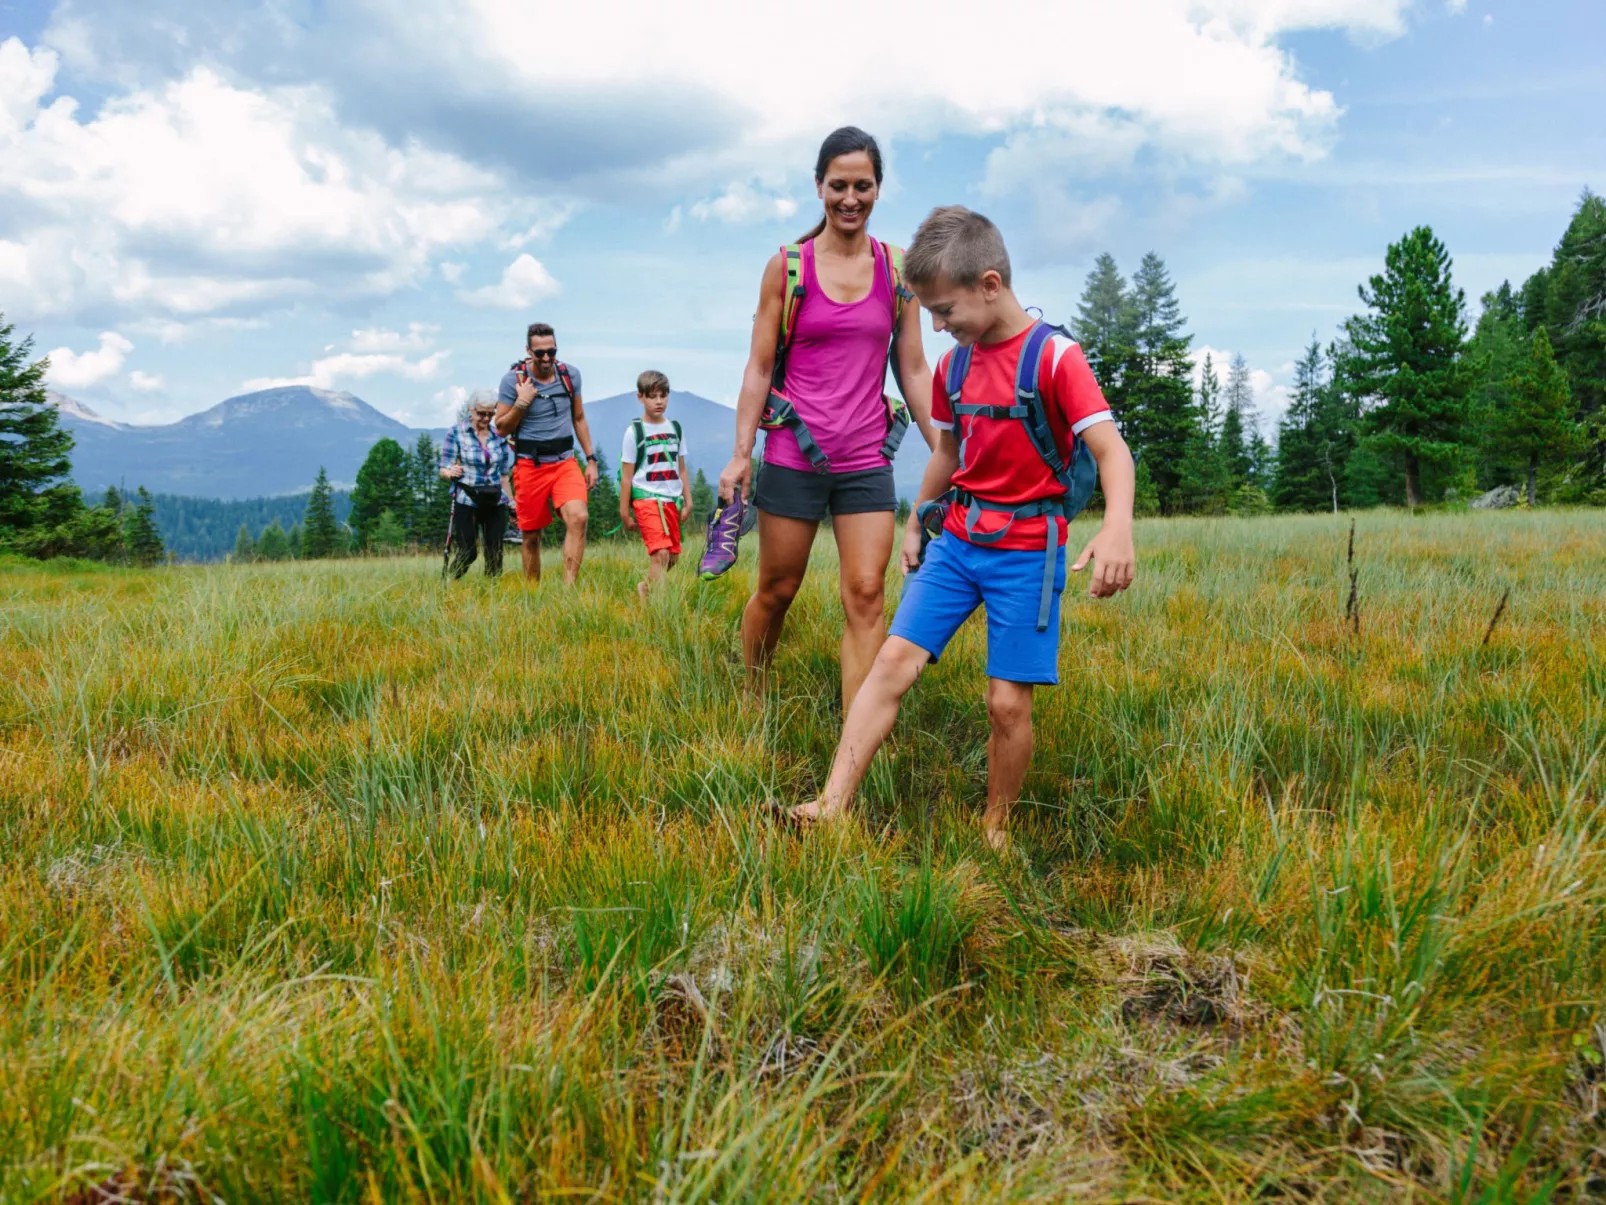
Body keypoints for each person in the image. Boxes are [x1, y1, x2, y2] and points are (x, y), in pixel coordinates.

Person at [788, 206, 1137, 849]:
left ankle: (996, 828)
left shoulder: (1056, 358)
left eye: (945, 312)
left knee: (1007, 703)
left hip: (1030, 551)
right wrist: (921, 523)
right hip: (959, 542)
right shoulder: (955, 369)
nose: (941, 328)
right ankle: (832, 802)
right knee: (891, 662)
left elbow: (1112, 450)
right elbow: (949, 455)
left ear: (990, 285)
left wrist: (1118, 526)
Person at [718, 126, 936, 711]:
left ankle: (856, 734)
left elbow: (913, 368)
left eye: (862, 186)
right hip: (794, 452)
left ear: (878, 189)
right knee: (778, 589)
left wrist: (945, 447)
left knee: (866, 594)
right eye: (838, 185)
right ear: (819, 187)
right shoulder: (788, 268)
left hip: (867, 457)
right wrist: (742, 455)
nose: (850, 198)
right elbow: (759, 368)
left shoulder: (898, 271)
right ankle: (754, 690)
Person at [494, 322, 599, 583]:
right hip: (530, 465)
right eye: (539, 353)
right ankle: (533, 595)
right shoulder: (513, 381)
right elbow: (500, 428)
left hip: (565, 463)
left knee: (579, 517)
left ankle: (568, 591)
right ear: (528, 351)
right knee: (530, 535)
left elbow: (579, 418)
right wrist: (521, 402)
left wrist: (591, 459)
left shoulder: (569, 375)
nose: (546, 359)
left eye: (551, 352)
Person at [619, 370, 692, 599]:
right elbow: (627, 476)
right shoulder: (634, 432)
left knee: (672, 556)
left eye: (663, 395)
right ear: (640, 397)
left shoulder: (676, 429)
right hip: (646, 498)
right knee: (659, 552)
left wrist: (688, 499)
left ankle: (647, 587)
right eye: (652, 396)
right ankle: (660, 608)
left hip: (672, 500)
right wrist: (624, 512)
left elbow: (681, 468)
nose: (659, 401)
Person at [439, 389, 515, 579]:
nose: (486, 418)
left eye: (490, 414)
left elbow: (504, 476)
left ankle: (492, 595)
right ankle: (450, 583)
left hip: (495, 499)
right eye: (481, 413)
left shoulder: (499, 436)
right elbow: (444, 468)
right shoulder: (456, 433)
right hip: (467, 498)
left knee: (495, 553)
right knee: (468, 552)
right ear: (471, 410)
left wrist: (512, 503)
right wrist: (451, 472)